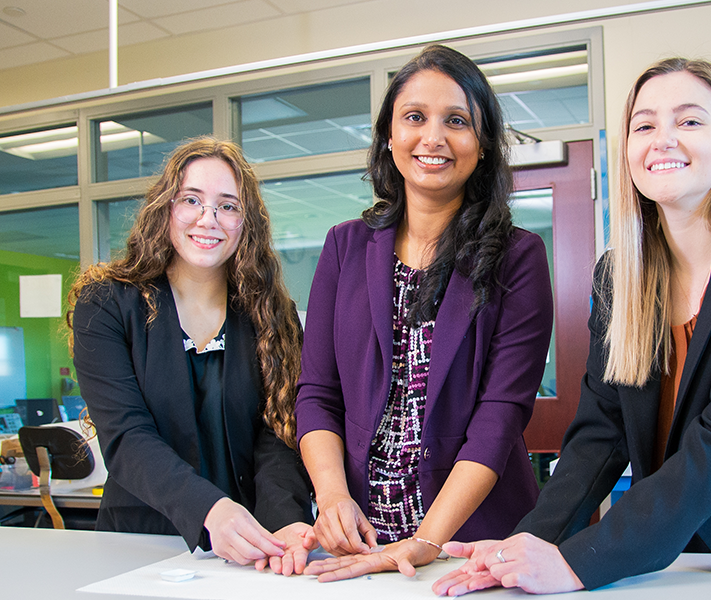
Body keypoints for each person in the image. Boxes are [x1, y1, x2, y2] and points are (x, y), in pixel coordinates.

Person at [433, 57, 711, 595]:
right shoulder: (620, 278)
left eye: (689, 121)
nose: (663, 140)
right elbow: (599, 435)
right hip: (673, 544)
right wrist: (523, 548)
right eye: (644, 125)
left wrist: (581, 563)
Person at [294, 44, 553, 582]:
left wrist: (425, 542)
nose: (433, 138)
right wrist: (333, 495)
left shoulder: (518, 257)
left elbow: (499, 415)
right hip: (359, 542)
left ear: (481, 144)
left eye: (456, 121)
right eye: (415, 117)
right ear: (390, 136)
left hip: (471, 548)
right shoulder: (344, 248)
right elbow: (317, 392)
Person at [68, 137, 315, 576]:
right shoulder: (106, 303)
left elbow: (277, 436)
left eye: (228, 206)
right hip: (139, 545)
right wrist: (210, 509)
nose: (209, 219)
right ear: (166, 208)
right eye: (192, 200)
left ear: (247, 222)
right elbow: (126, 436)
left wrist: (288, 522)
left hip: (249, 551)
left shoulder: (272, 316)